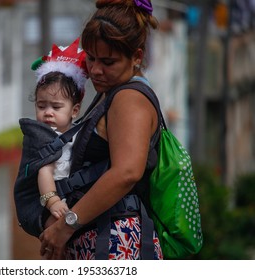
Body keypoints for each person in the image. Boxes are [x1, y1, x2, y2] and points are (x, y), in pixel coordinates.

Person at [39, 0, 164, 260]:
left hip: (115, 245)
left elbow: (126, 172)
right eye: (91, 58)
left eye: (108, 61)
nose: (95, 70)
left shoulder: (129, 99)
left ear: (137, 57)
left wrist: (66, 225)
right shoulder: (112, 92)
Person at [31, 38, 88, 219]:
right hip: (57, 203)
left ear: (75, 110)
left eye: (56, 107)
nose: (48, 113)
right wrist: (52, 200)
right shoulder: (45, 139)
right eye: (41, 106)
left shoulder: (80, 132)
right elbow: (45, 171)